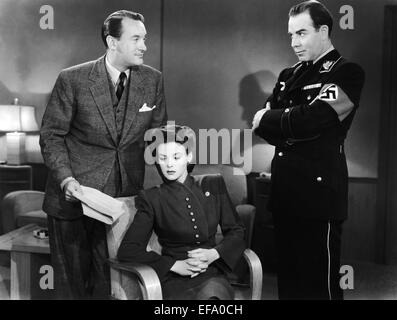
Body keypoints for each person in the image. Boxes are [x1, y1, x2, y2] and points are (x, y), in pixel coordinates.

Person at [39, 10, 167, 299]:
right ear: (112, 42)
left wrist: (178, 177)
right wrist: (66, 180)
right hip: (73, 199)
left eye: (144, 38)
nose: (144, 46)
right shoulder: (73, 79)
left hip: (122, 203)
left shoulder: (153, 80)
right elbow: (51, 136)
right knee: (72, 288)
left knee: (114, 286)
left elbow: (158, 138)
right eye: (136, 38)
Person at [252, 0, 365, 300]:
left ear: (324, 30)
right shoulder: (288, 75)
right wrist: (285, 123)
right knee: (289, 285)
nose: (294, 43)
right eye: (291, 35)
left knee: (320, 287)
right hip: (286, 192)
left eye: (301, 33)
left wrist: (272, 119)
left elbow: (318, 118)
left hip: (319, 197)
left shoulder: (347, 73)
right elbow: (268, 128)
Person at [117, 124, 246, 300]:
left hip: (211, 273)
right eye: (162, 158)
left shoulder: (213, 184)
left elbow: (237, 231)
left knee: (211, 297)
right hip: (175, 279)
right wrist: (173, 265)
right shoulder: (152, 198)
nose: (169, 164)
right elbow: (128, 250)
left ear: (189, 157)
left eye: (176, 157)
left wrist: (214, 254)